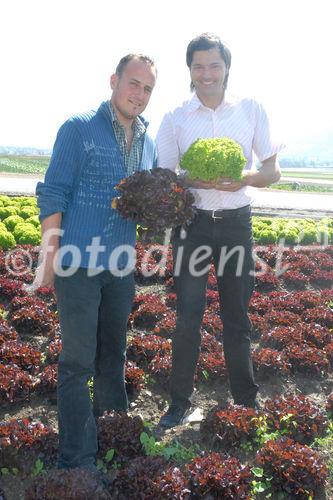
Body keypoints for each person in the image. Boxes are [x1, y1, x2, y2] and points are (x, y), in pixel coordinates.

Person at [34, 54, 157, 470]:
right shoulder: (79, 129)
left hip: (120, 266)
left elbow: (141, 204)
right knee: (76, 362)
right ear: (114, 80)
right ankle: (77, 458)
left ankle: (113, 437)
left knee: (113, 356)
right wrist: (48, 258)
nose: (139, 94)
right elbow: (53, 194)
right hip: (79, 265)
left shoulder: (148, 141)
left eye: (147, 89)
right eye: (133, 83)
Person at [156, 33, 284, 428]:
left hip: (235, 225)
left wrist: (242, 177)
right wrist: (192, 179)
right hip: (192, 227)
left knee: (237, 316)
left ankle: (246, 401)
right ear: (189, 71)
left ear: (226, 67)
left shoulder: (250, 110)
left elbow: (272, 170)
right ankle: (179, 402)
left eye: (214, 65)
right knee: (188, 316)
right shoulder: (176, 117)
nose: (206, 73)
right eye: (198, 66)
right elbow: (166, 176)